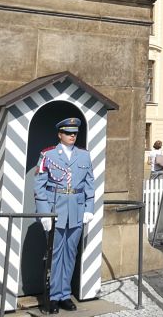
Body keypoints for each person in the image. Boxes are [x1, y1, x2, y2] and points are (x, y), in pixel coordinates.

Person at [34, 117, 95, 313]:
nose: (72, 136)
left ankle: (64, 295)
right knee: (54, 254)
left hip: (76, 211)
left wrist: (89, 208)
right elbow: (39, 186)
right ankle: (52, 296)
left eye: (75, 133)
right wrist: (44, 213)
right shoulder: (48, 155)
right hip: (55, 211)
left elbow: (89, 184)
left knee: (70, 254)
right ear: (60, 134)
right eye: (68, 133)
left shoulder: (84, 156)